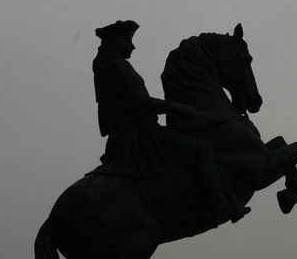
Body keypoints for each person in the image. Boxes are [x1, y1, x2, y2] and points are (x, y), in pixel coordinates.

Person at [91, 20, 248, 223]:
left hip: (128, 135)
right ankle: (220, 206)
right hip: (139, 136)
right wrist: (179, 107)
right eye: (128, 41)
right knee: (200, 149)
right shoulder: (119, 67)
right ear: (116, 42)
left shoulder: (105, 68)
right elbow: (141, 103)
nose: (132, 46)